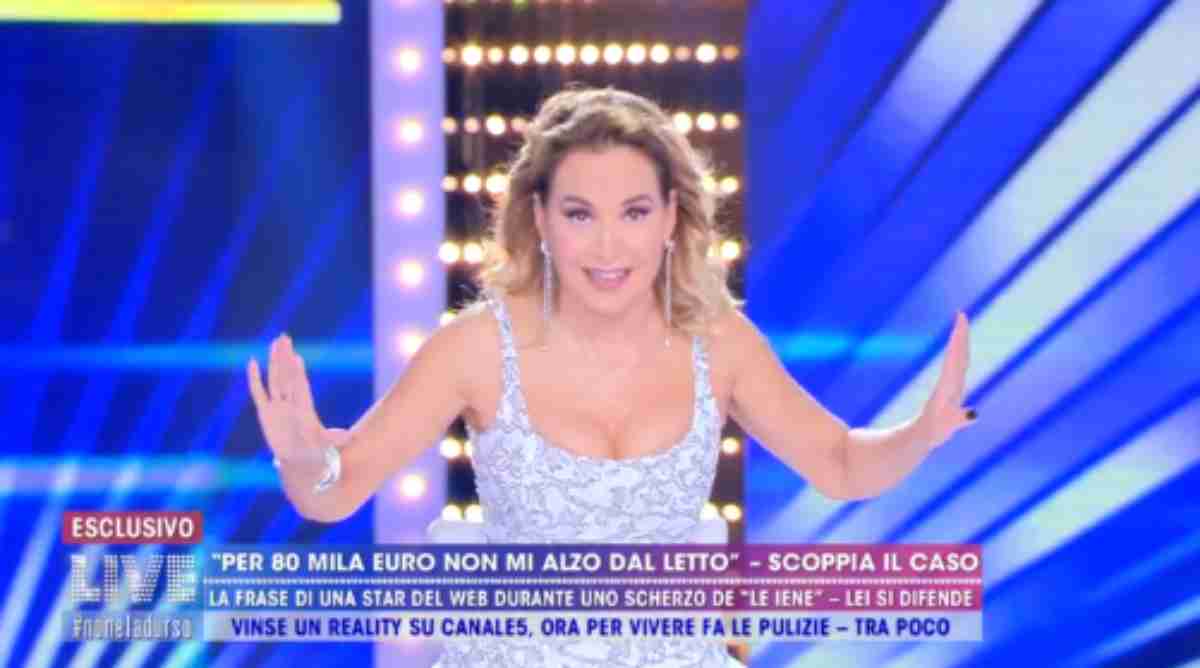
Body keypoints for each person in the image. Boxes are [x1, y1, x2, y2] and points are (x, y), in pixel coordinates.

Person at [246, 86, 975, 667]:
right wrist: (304, 460)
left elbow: (841, 463)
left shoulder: (718, 340)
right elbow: (336, 490)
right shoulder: (474, 348)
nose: (607, 246)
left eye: (633, 212)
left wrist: (923, 432)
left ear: (670, 217)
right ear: (539, 219)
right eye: (579, 214)